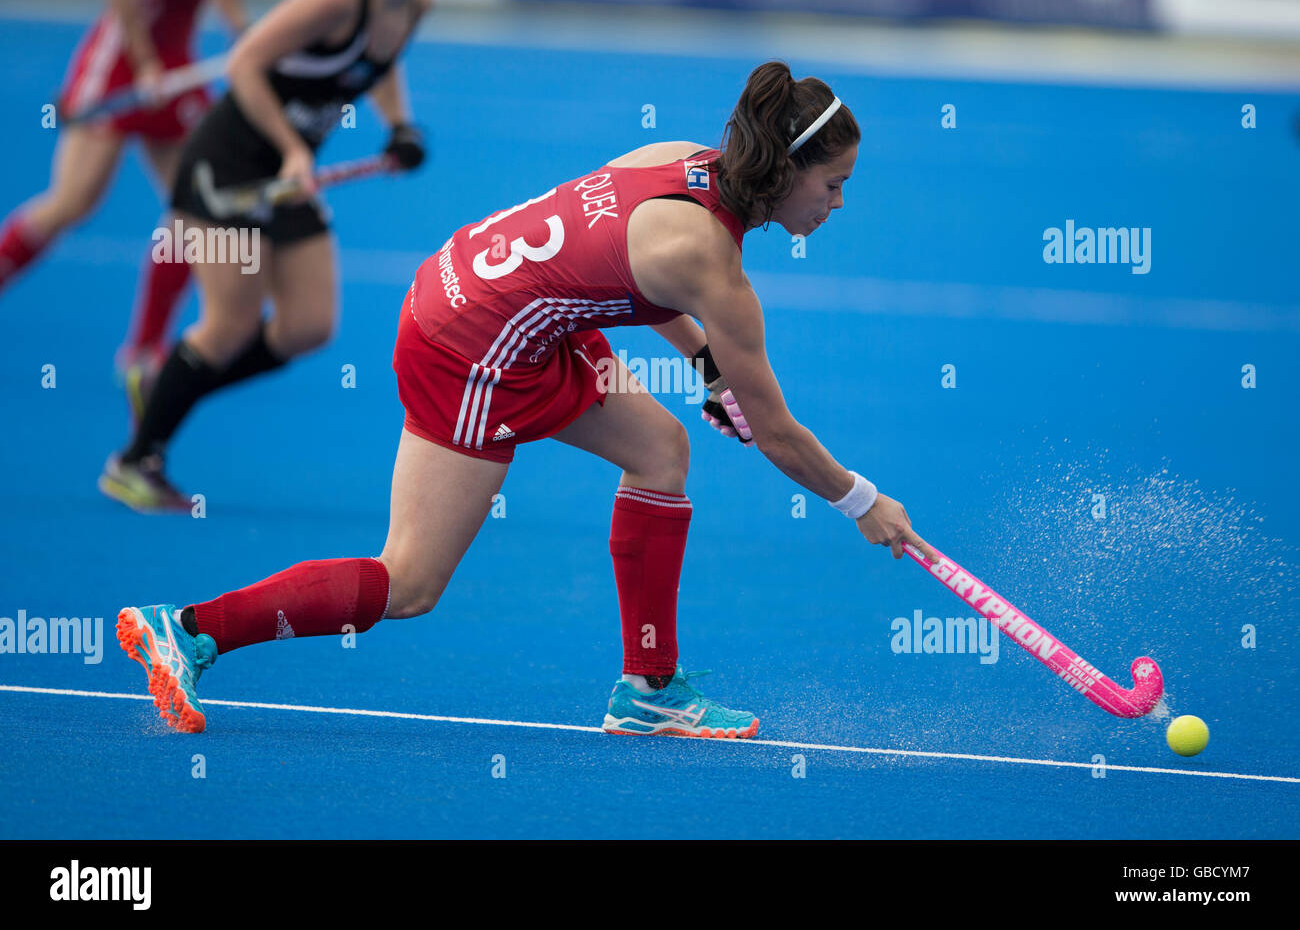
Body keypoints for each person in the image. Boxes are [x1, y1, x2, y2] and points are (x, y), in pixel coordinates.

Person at [115, 60, 939, 735]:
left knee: (661, 450)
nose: (838, 204)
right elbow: (778, 432)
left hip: (501, 299)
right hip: (469, 348)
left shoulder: (678, 159)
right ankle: (189, 629)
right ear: (787, 170)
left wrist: (708, 372)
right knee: (410, 582)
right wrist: (861, 501)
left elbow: (621, 274)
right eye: (833, 185)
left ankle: (650, 688)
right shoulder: (713, 266)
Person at [99, 0, 442, 511]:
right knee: (228, 326)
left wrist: (399, 124)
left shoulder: (412, 3)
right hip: (225, 173)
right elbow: (243, 64)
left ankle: (170, 384)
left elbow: (377, 65)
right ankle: (136, 459)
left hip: (288, 184)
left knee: (308, 326)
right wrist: (290, 147)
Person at [0, 0, 245, 376]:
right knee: (74, 201)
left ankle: (144, 351)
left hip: (174, 65)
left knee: (197, 204)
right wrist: (145, 61)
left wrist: (240, 26)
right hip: (121, 61)